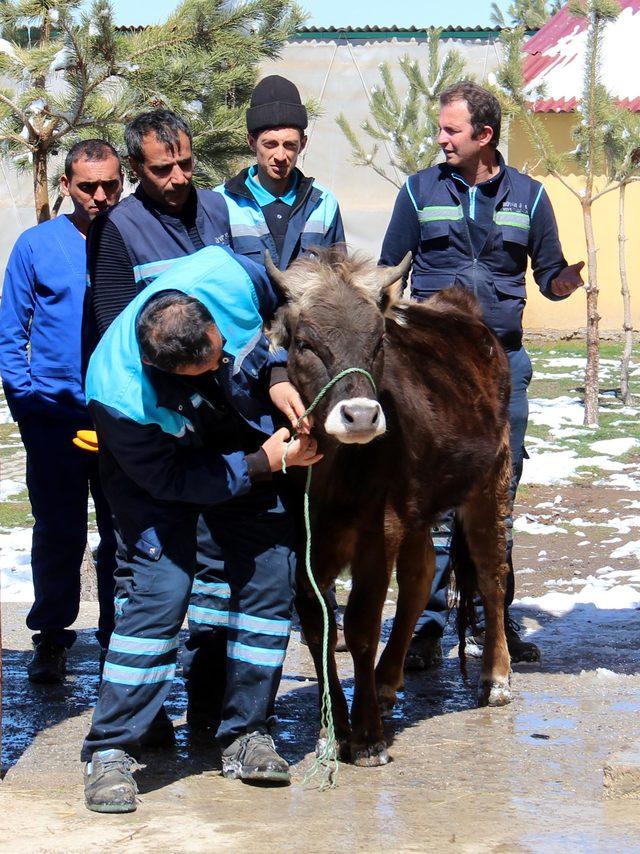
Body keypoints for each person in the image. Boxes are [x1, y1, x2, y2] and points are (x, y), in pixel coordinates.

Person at [82, 244, 320, 813]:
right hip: (159, 475)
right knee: (161, 592)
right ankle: (110, 748)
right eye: (204, 369)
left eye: (219, 354)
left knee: (269, 576)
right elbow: (172, 482)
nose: (219, 366)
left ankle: (245, 731)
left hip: (234, 434)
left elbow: (280, 323)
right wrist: (265, 463)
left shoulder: (231, 276)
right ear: (157, 366)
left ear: (209, 318)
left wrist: (280, 374)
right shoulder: (117, 395)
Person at [379, 82, 584, 667]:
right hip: (432, 370)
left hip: (502, 369)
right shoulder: (418, 192)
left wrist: (563, 282)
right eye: (440, 129)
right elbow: (393, 272)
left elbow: (547, 274)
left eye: (450, 130)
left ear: (483, 136)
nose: (440, 139)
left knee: (499, 496)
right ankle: (423, 626)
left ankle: (498, 622)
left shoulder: (532, 197)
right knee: (428, 496)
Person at [83, 109, 233, 733]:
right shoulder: (117, 227)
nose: (177, 179)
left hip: (219, 420)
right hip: (149, 425)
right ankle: (139, 723)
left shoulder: (219, 213)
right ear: (137, 170)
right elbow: (125, 331)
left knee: (219, 579)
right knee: (146, 578)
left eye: (185, 165)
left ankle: (208, 712)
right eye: (161, 169)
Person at [214, 74, 347, 647]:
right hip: (245, 370)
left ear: (302, 144)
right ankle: (252, 601)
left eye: (290, 144)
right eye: (270, 143)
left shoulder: (325, 203)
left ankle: (319, 604)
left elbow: (338, 287)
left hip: (309, 368)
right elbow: (219, 288)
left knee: (316, 482)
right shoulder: (221, 203)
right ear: (252, 144)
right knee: (257, 479)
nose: (280, 154)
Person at [0, 140, 123, 683]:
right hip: (55, 417)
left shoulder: (137, 239)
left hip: (122, 416)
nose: (99, 196)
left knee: (122, 531)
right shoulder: (36, 245)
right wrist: (28, 405)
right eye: (87, 186)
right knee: (58, 529)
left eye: (110, 185)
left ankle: (119, 639)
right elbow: (11, 335)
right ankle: (51, 634)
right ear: (67, 186)